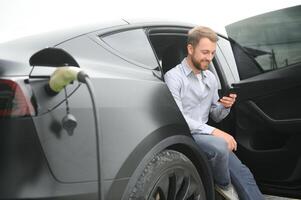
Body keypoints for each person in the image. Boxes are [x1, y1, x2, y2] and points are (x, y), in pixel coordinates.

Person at [164, 26, 264, 200]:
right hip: (183, 134)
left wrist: (225, 106)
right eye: (204, 52)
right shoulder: (173, 77)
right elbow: (179, 119)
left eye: (212, 53)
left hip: (204, 134)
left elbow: (216, 115)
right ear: (190, 49)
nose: (209, 58)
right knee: (219, 146)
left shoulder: (210, 77)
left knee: (244, 174)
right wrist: (216, 132)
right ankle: (224, 187)